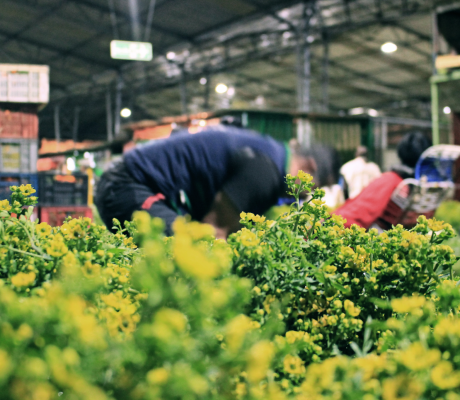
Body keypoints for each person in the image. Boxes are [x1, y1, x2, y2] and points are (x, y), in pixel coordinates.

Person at [95, 125, 334, 239]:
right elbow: (215, 229)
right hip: (128, 184)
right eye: (317, 186)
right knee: (193, 249)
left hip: (136, 184)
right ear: (310, 167)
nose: (310, 194)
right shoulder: (266, 171)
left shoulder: (269, 155)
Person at [333, 131, 432, 231]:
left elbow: (360, 212)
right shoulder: (422, 188)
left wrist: (326, 223)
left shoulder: (391, 180)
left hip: (345, 227)